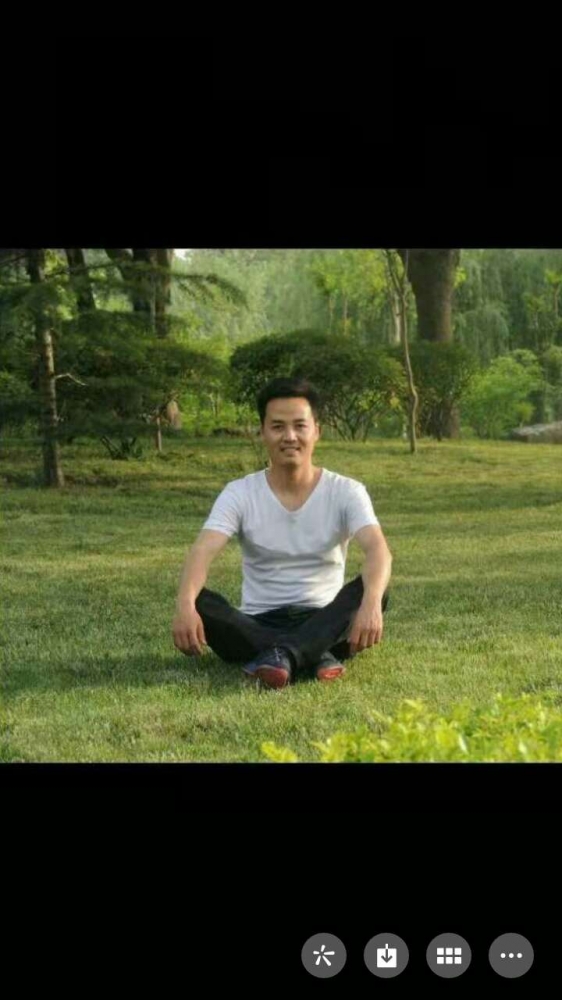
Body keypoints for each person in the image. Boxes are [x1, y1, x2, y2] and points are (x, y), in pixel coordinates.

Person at [172, 376, 392, 689]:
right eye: (277, 427)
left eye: (300, 426)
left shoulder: (346, 491)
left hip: (326, 618)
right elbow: (202, 551)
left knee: (375, 589)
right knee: (201, 602)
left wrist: (370, 604)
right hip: (257, 620)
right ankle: (314, 654)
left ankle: (281, 655)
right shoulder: (240, 493)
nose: (290, 437)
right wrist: (184, 605)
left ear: (316, 431)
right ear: (262, 432)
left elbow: (378, 550)